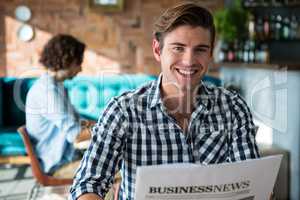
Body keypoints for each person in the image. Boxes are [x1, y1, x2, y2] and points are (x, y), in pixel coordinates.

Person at [70, 2, 260, 200]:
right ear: (157, 49)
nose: (189, 61)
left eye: (200, 50)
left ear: (210, 53)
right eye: (178, 48)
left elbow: (253, 184)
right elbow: (88, 183)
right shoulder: (123, 111)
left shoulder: (233, 108)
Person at [25, 34, 91, 179]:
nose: (80, 69)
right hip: (58, 165)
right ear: (66, 60)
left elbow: (78, 121)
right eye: (78, 62)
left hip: (68, 157)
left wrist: (105, 122)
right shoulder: (47, 92)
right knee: (119, 167)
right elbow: (76, 134)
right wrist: (110, 129)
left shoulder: (57, 87)